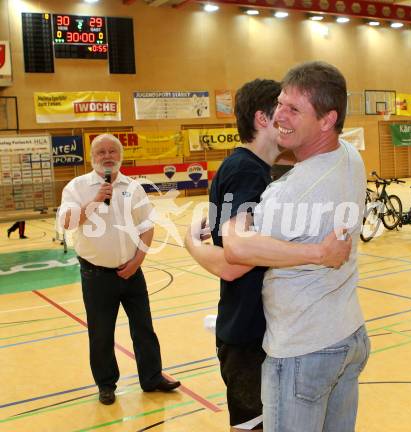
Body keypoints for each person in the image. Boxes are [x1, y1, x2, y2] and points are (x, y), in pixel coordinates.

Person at [185, 79, 352, 431]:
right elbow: (234, 262)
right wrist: (192, 244)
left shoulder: (259, 170)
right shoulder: (246, 170)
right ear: (264, 118)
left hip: (257, 329)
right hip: (247, 335)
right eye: (283, 109)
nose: (289, 119)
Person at [219, 61, 370, 432]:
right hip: (347, 335)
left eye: (293, 109)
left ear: (326, 120)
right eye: (279, 104)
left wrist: (198, 237)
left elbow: (235, 252)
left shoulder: (289, 193)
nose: (278, 116)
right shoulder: (350, 156)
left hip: (303, 351)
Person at [59, 133, 180, 406]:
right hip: (96, 275)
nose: (107, 156)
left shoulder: (133, 188)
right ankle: (106, 384)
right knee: (101, 333)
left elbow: (147, 226)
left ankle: (152, 378)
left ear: (120, 156)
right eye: (101, 152)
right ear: (92, 158)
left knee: (144, 328)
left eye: (112, 151)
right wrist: (93, 200)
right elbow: (67, 224)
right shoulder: (77, 187)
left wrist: (138, 261)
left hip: (132, 272)